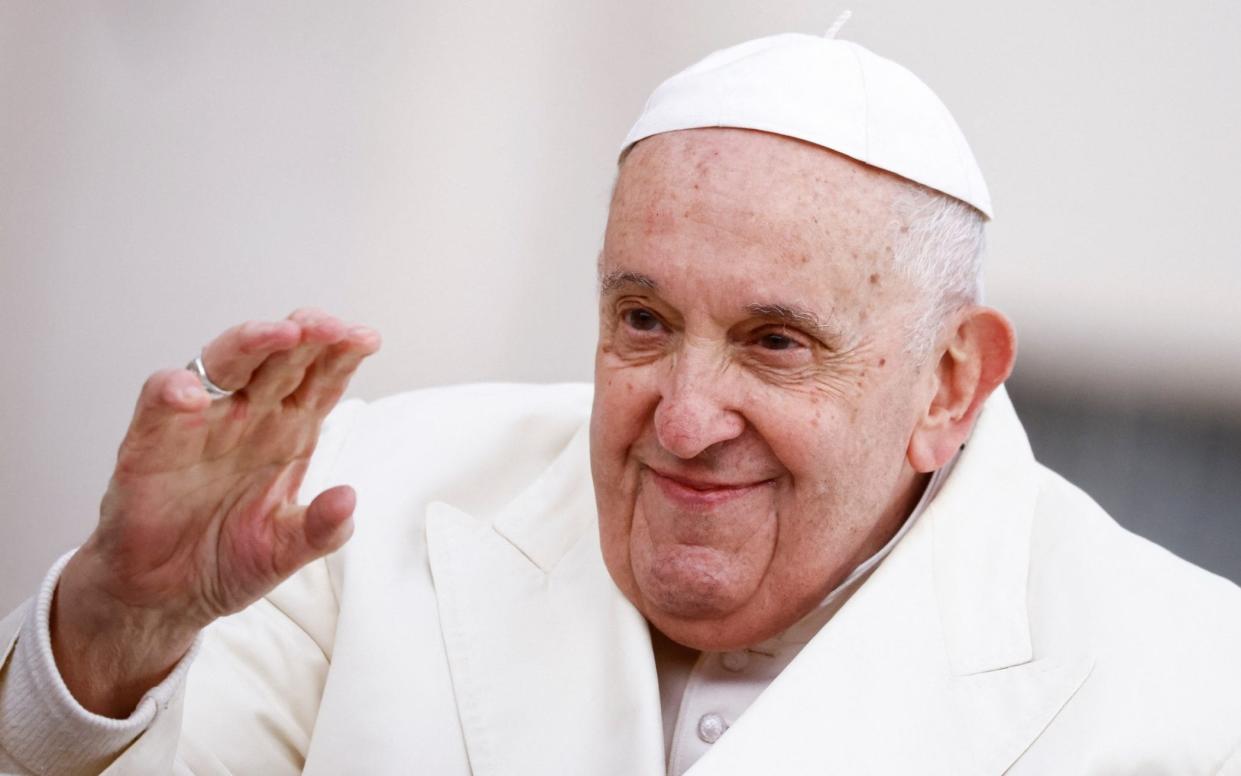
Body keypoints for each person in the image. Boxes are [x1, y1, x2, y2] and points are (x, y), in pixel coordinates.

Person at [3, 27, 1241, 776]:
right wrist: (117, 626)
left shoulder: (1186, 686)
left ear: (948, 379)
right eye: (643, 321)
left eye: (772, 342)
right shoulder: (363, 499)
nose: (685, 415)